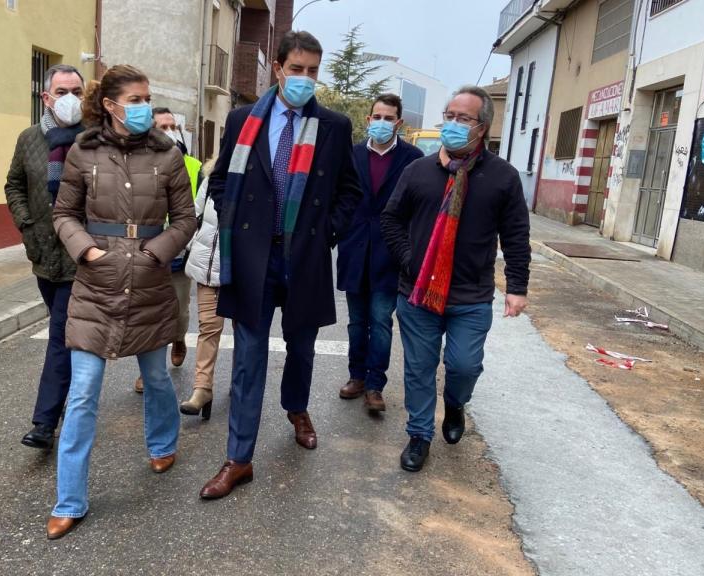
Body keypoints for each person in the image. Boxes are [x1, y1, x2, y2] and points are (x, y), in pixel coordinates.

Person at [199, 31, 362, 500]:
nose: (306, 79)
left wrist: (325, 231)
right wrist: (235, 221)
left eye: (313, 71)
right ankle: (238, 458)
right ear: (277, 68)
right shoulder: (242, 119)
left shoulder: (333, 126)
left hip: (305, 256)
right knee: (248, 359)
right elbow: (222, 179)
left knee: (302, 346)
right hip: (254, 256)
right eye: (297, 69)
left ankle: (297, 408)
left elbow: (349, 192)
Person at [46, 65, 197, 539]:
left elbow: (186, 217)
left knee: (155, 376)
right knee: (84, 392)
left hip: (149, 281)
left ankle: (163, 442)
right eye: (135, 99)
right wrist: (86, 250)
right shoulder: (82, 151)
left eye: (147, 98)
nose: (144, 108)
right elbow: (64, 212)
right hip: (96, 283)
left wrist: (157, 252)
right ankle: (70, 499)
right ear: (110, 106)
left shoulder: (167, 154)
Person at [380, 86, 530, 473]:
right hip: (417, 293)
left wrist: (517, 287)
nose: (453, 124)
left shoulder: (503, 177)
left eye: (464, 118)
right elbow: (391, 219)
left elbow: (515, 235)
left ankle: (456, 402)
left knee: (464, 365)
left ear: (483, 127)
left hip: (470, 295)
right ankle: (419, 435)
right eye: (449, 115)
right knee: (418, 367)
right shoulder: (418, 172)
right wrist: (409, 259)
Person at [3, 64, 85, 450]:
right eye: (62, 91)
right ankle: (74, 398)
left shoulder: (95, 139)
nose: (71, 99)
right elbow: (14, 184)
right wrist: (26, 224)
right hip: (43, 254)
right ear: (46, 97)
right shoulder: (29, 139)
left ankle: (44, 421)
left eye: (78, 91)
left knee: (59, 335)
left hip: (81, 256)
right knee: (66, 334)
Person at [336, 94, 423, 414]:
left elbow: (415, 206)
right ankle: (356, 377)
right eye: (377, 117)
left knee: (381, 321)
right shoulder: (351, 154)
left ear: (399, 123)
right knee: (357, 323)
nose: (382, 123)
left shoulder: (413, 158)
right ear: (368, 120)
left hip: (391, 254)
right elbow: (340, 196)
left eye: (389, 118)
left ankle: (375, 385)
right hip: (354, 250)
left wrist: (409, 250)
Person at [132, 108, 204, 393]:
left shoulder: (194, 166)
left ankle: (178, 337)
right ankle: (151, 371)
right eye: (163, 126)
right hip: (145, 253)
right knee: (146, 315)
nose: (170, 130)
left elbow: (198, 214)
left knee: (179, 310)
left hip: (179, 252)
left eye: (173, 125)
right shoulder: (136, 163)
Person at [179, 177, 222, 418]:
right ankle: (202, 389)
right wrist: (192, 246)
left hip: (242, 272)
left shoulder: (259, 175)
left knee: (245, 332)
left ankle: (241, 385)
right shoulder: (212, 179)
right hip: (206, 267)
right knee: (209, 328)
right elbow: (194, 215)